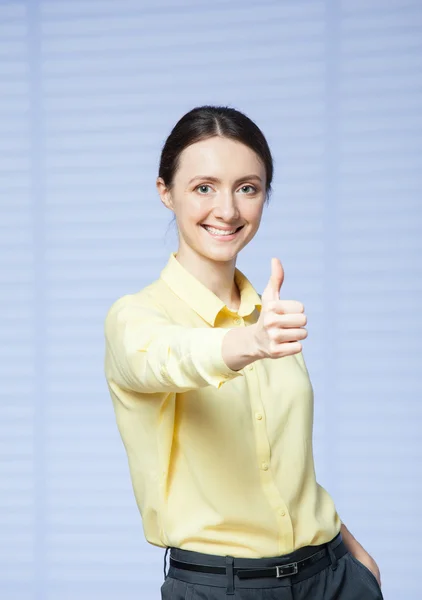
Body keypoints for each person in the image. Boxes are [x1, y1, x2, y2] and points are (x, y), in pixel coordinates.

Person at [103, 105, 383, 599]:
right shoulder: (135, 318)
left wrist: (356, 559)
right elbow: (169, 357)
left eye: (247, 188)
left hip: (333, 578)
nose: (228, 210)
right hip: (221, 588)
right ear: (165, 191)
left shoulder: (268, 313)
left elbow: (289, 471)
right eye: (204, 187)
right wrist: (248, 342)